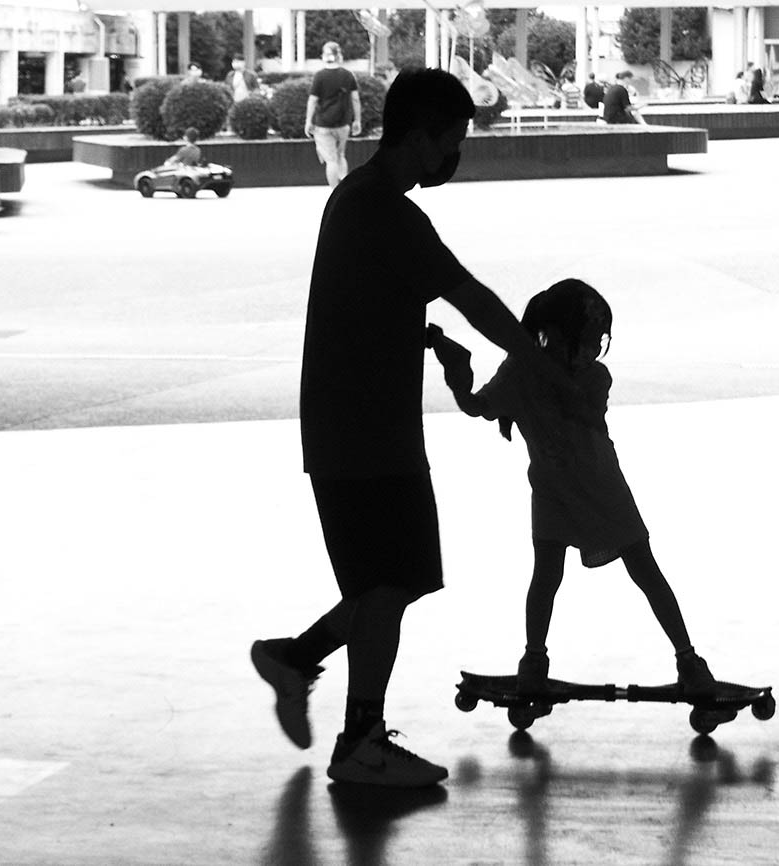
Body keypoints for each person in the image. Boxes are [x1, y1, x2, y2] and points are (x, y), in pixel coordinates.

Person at [250, 68, 583, 789]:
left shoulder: (360, 200)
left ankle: (297, 659)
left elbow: (370, 306)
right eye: (452, 140)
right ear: (423, 135)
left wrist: (421, 339)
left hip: (364, 426)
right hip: (363, 431)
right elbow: (475, 297)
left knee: (394, 580)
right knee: (386, 585)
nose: (453, 157)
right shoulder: (386, 211)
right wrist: (544, 366)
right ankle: (359, 738)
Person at [426, 279, 718, 698]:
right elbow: (478, 406)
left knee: (642, 570)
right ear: (565, 333)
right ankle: (534, 661)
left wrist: (530, 364)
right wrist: (456, 372)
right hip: (557, 490)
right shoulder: (521, 371)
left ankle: (688, 659)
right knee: (548, 576)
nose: (595, 347)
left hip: (602, 488)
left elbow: (575, 401)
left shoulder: (591, 377)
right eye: (590, 337)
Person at [306, 42, 362, 187]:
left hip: (323, 124)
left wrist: (308, 121)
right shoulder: (348, 75)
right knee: (341, 155)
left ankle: (335, 193)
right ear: (338, 56)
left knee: (331, 160)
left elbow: (312, 100)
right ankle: (345, 189)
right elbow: (355, 99)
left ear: (324, 56)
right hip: (343, 124)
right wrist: (357, 120)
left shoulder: (319, 76)